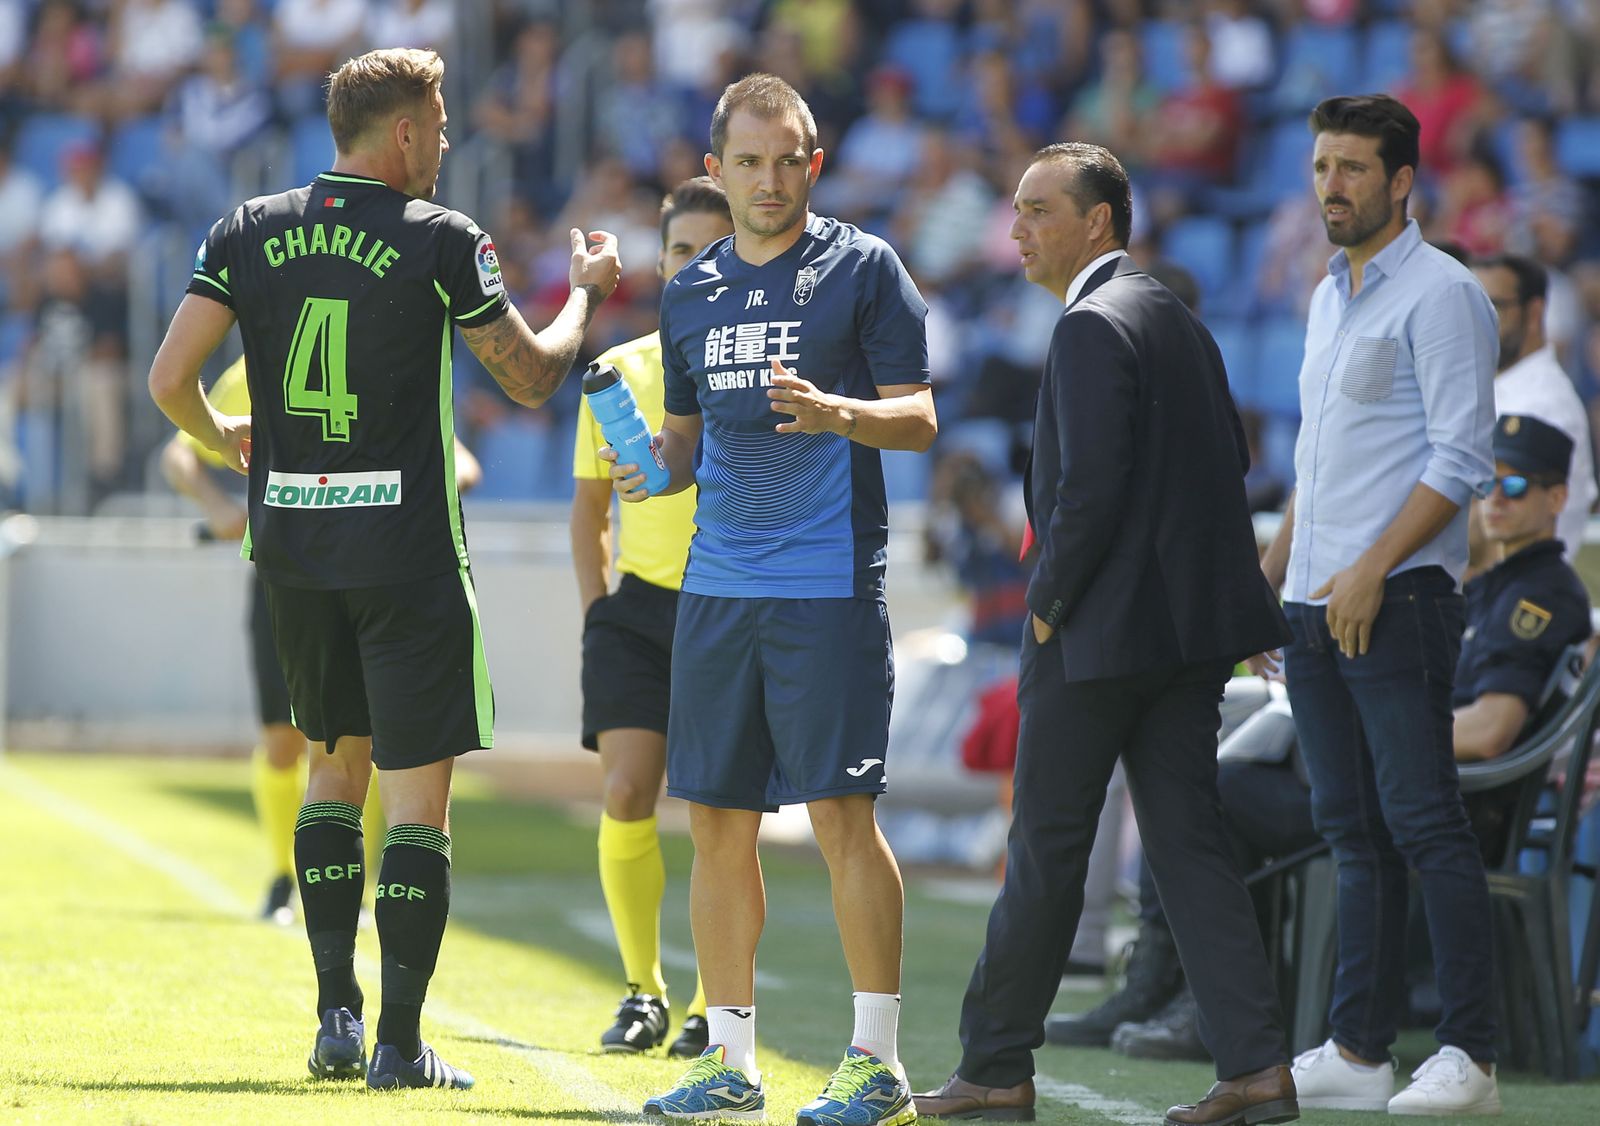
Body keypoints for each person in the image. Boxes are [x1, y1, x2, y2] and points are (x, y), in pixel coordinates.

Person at [147, 47, 620, 1091]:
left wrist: (221, 429)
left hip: (295, 551)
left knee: (331, 772)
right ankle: (401, 1044)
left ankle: (334, 1021)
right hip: (405, 553)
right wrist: (585, 299)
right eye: (441, 127)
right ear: (402, 132)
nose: (446, 145)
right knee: (418, 805)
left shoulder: (247, 231)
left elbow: (168, 377)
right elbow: (535, 376)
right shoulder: (442, 239)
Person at [914, 141, 1297, 1126]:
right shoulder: (1177, 318)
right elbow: (1234, 466)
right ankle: (1256, 1065)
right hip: (1181, 645)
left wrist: (1044, 604)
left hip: (1095, 638)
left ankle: (995, 1063)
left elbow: (1085, 494)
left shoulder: (1089, 325)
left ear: (1098, 222)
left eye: (1039, 209)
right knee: (1186, 845)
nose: (1017, 230)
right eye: (1015, 210)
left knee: (1045, 846)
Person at [609, 72, 936, 1126]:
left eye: (787, 157)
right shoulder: (690, 288)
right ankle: (731, 1062)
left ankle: (876, 1061)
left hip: (827, 585)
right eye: (747, 161)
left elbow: (919, 418)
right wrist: (648, 467)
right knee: (715, 824)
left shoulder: (863, 268)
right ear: (714, 169)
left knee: (843, 818)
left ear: (815, 162)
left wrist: (834, 410)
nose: (768, 178)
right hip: (716, 589)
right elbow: (690, 450)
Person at [1091, 410, 1593, 1065]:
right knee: (1222, 782)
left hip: (1450, 803)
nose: (1496, 498)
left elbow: (1492, 730)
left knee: (1212, 795)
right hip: (1407, 779)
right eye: (1486, 483)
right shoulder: (1491, 583)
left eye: (1518, 485)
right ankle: (1204, 995)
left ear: (1559, 498)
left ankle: (1211, 1004)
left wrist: (1376, 728)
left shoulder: (1542, 595)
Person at [1256, 94, 1502, 1116]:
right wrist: (1273, 573)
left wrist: (1366, 569)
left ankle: (1472, 1057)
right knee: (1350, 831)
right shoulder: (1328, 295)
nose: (1331, 186)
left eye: (1353, 168)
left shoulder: (1443, 294)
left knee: (1423, 825)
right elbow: (1323, 458)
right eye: (1321, 166)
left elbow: (1460, 457)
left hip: (1395, 601)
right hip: (1314, 604)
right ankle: (1360, 1051)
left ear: (1401, 182)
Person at [161, 357, 483, 926]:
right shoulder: (257, 358)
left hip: (376, 573)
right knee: (285, 741)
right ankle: (283, 878)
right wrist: (219, 505)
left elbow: (459, 458)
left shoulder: (383, 341)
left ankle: (361, 884)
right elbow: (180, 448)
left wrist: (414, 490)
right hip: (286, 573)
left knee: (377, 739)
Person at [570, 175, 733, 1059]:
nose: (696, 265)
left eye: (714, 250)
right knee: (629, 789)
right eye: (681, 252)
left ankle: (714, 1003)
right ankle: (645, 992)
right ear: (660, 262)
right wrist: (601, 618)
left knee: (715, 810)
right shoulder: (620, 370)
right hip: (637, 613)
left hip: (728, 607)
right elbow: (588, 516)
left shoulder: (754, 370)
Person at [1470, 254, 1595, 566]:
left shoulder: (1543, 402)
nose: (1477, 322)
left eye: (1494, 307)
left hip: (1517, 595)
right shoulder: (1495, 386)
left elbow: (1503, 531)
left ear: (1534, 312)